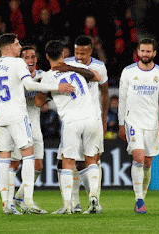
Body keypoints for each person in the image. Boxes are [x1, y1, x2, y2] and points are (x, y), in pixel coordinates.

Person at [0, 33, 74, 215]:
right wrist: (57, 87)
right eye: (16, 44)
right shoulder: (17, 63)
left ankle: (6, 204)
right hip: (17, 115)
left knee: (4, 159)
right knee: (28, 156)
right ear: (7, 48)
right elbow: (29, 86)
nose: (19, 46)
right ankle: (28, 201)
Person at [35, 40, 102, 214]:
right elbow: (97, 77)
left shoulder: (48, 76)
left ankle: (67, 205)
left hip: (72, 121)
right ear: (64, 54)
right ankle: (94, 199)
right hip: (91, 117)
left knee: (67, 161)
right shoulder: (74, 65)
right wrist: (72, 69)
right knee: (90, 159)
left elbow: (38, 102)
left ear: (47, 56)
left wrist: (48, 90)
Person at [0, 45, 48, 214]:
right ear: (21, 60)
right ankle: (11, 202)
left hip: (33, 123)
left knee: (38, 165)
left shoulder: (43, 76)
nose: (30, 59)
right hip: (16, 120)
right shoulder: (14, 73)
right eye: (26, 56)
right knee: (14, 162)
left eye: (33, 56)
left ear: (36, 59)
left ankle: (19, 198)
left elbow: (40, 103)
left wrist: (45, 94)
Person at [53, 35, 109, 214]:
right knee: (67, 161)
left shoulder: (99, 66)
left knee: (90, 160)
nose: (79, 57)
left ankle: (94, 201)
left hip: (93, 118)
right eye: (77, 52)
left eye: (83, 54)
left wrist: (104, 118)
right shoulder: (67, 63)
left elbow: (105, 93)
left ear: (90, 51)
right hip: (73, 119)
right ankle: (74, 203)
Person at [118, 38, 159, 214]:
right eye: (143, 51)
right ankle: (139, 199)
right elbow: (122, 99)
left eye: (149, 52)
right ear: (138, 52)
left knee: (148, 163)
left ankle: (142, 197)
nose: (145, 54)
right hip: (133, 121)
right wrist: (121, 124)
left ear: (154, 53)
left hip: (152, 124)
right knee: (139, 158)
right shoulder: (128, 72)